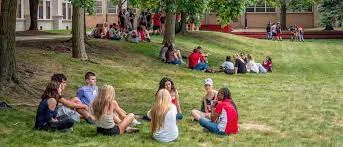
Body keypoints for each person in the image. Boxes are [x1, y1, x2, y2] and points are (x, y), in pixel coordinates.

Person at [77, 72, 141, 126]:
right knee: (114, 106)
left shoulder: (96, 88)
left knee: (115, 107)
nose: (95, 80)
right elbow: (77, 100)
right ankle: (128, 120)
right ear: (87, 80)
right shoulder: (82, 89)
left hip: (98, 105)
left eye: (95, 79)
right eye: (93, 79)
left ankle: (128, 119)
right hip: (91, 108)